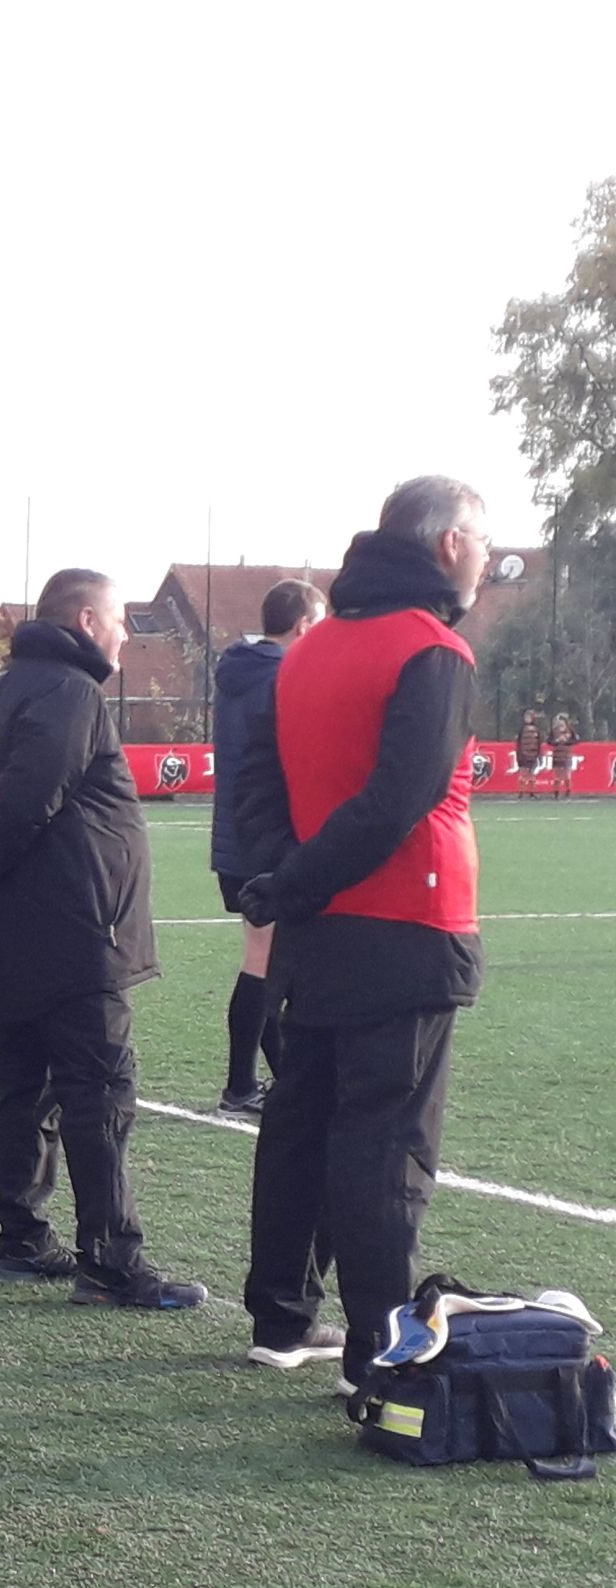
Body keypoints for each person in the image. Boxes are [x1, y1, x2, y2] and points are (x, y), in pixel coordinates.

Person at [232, 477, 490, 1384]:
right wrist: (297, 877)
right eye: (483, 544)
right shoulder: (432, 648)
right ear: (450, 543)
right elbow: (401, 797)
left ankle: (280, 1316)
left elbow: (261, 784)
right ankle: (377, 1346)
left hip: (323, 926)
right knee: (385, 1141)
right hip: (408, 921)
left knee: (303, 1123)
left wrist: (285, 879)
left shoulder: (306, 651)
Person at [0, 568, 202, 1309]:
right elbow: (29, 799)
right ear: (84, 620)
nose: (123, 640)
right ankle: (110, 1261)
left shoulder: (0, 697)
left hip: (12, 932)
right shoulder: (70, 693)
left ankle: (22, 1238)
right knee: (98, 1092)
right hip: (78, 931)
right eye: (116, 623)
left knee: (24, 1086)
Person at [209, 580, 324, 1113]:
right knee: (267, 962)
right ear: (303, 626)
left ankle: (278, 1079)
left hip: (234, 840)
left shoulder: (235, 674)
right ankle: (242, 1085)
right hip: (269, 838)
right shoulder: (287, 677)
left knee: (271, 960)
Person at [513, 707, 542, 799]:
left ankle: (532, 792)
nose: (527, 718)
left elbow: (539, 743)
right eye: (526, 716)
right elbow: (518, 743)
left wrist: (539, 754)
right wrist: (519, 754)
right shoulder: (521, 729)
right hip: (523, 754)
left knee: (532, 774)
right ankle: (521, 792)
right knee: (523, 773)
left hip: (533, 754)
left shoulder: (537, 730)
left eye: (529, 716)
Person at [547, 709, 577, 798]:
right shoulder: (554, 732)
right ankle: (556, 793)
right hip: (557, 756)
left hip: (567, 756)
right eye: (559, 723)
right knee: (557, 776)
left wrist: (566, 741)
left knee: (567, 776)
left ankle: (568, 792)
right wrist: (556, 741)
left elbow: (575, 741)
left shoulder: (570, 732)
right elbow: (549, 741)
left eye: (562, 723)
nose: (560, 724)